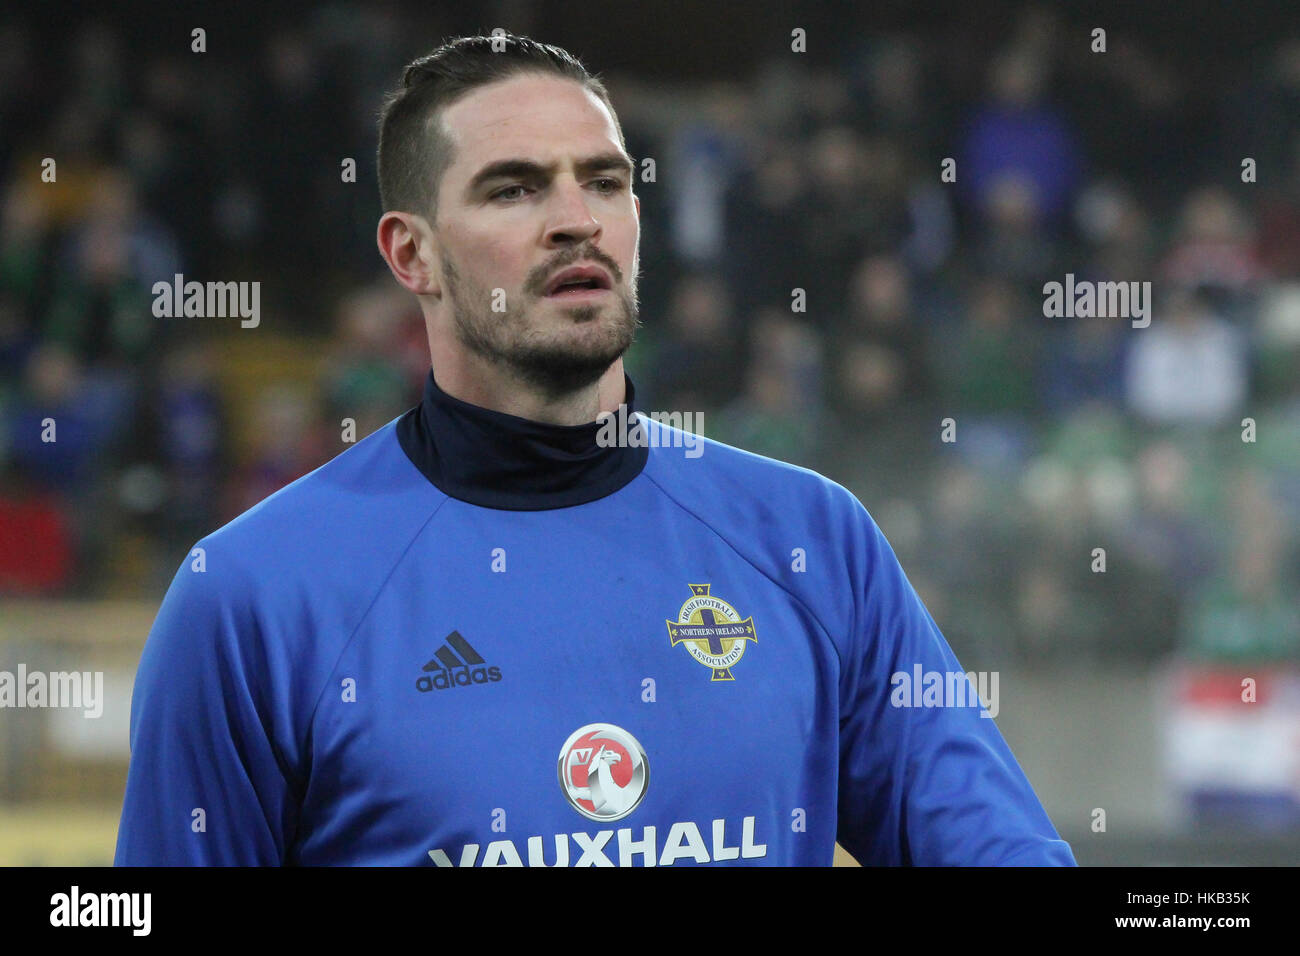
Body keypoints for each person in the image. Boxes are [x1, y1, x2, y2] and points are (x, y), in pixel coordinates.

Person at [115, 34, 1075, 867]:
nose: (578, 218)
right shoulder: (253, 597)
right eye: (514, 188)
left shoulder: (812, 541)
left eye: (606, 181)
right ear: (411, 255)